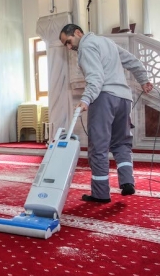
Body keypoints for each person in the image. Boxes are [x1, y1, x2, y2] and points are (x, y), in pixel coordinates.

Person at [59, 24, 153, 203]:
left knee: (98, 146)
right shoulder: (107, 42)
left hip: (104, 98)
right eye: (66, 45)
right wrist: (143, 80)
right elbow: (132, 61)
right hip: (124, 99)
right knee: (122, 143)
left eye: (69, 42)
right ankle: (127, 181)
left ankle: (101, 193)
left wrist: (86, 99)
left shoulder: (86, 46)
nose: (69, 47)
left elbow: (96, 77)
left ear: (78, 33)